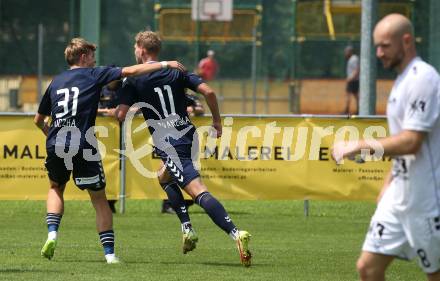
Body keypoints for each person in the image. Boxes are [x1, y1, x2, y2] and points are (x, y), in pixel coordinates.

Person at [34, 37, 186, 264]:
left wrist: (53, 136)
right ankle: (109, 255)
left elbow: (38, 120)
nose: (95, 59)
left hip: (56, 143)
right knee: (99, 199)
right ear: (83, 56)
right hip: (84, 145)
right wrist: (167, 64)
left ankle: (52, 234)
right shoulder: (94, 74)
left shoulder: (56, 81)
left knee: (56, 187)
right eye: (92, 55)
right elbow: (133, 70)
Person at [115, 30, 252, 266]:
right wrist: (217, 121)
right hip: (188, 136)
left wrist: (132, 107)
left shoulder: (135, 80)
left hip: (170, 143)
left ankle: (236, 234)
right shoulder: (176, 70)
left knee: (197, 190)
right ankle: (187, 229)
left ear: (142, 49)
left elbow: (120, 114)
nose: (134, 52)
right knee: (163, 176)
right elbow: (208, 91)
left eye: (135, 48)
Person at [332, 14, 440, 280]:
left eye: (385, 46)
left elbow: (411, 142)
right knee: (367, 268)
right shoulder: (401, 81)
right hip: (399, 196)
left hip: (427, 199)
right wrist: (387, 184)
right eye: (376, 46)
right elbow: (401, 145)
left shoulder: (423, 78)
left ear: (406, 41)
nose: (378, 53)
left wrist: (359, 145)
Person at [161, 92, 204, 214]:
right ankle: (169, 205)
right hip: (170, 140)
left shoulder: (190, 96)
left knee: (184, 174)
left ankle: (182, 206)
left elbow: (201, 108)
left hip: (187, 140)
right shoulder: (166, 95)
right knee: (168, 174)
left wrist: (193, 108)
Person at [343, 45, 360, 114]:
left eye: (346, 51)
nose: (345, 53)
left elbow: (357, 70)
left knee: (350, 95)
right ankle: (358, 110)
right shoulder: (351, 59)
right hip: (353, 80)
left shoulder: (354, 59)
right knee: (354, 95)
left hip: (353, 80)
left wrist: (351, 78)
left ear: (350, 52)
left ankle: (347, 110)